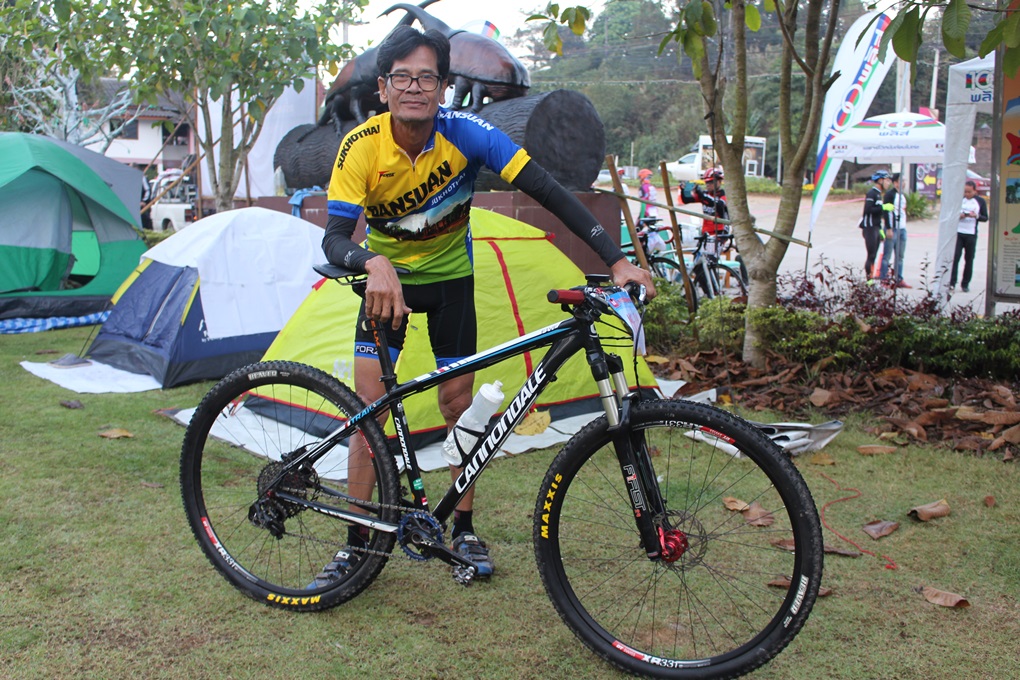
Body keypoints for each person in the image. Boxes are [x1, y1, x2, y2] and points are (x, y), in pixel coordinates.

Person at [318, 26, 654, 586]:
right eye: (402, 77)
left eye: (427, 77)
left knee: (460, 407)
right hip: (387, 289)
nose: (414, 87)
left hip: (451, 285)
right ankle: (355, 541)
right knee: (368, 414)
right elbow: (333, 238)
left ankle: (464, 528)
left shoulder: (469, 134)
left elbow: (547, 189)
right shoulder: (361, 145)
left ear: (444, 87)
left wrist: (615, 259)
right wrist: (371, 262)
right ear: (383, 87)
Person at [949, 180, 988, 293]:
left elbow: (985, 218)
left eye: (969, 192)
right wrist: (959, 216)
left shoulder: (980, 201)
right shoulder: (959, 200)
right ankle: (952, 282)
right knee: (955, 258)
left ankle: (965, 283)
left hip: (971, 233)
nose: (967, 194)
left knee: (969, 259)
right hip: (959, 233)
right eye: (965, 192)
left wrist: (976, 216)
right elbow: (950, 214)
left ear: (975, 191)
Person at [861, 170, 892, 281]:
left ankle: (871, 278)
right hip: (869, 228)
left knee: (874, 255)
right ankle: (869, 280)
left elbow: (877, 215)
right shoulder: (872, 193)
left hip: (876, 227)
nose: (888, 183)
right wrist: (883, 207)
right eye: (887, 181)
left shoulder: (879, 194)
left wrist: (880, 229)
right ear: (880, 180)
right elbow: (868, 210)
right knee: (871, 255)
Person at [879, 173, 909, 287]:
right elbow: (886, 212)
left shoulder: (902, 195)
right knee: (887, 255)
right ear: (895, 182)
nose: (903, 183)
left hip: (902, 228)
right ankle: (884, 278)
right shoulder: (890, 195)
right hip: (893, 228)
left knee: (900, 256)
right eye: (901, 181)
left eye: (904, 181)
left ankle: (898, 278)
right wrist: (889, 228)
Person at [681, 167, 728, 235]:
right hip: (706, 230)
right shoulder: (705, 194)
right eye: (706, 182)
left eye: (711, 182)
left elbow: (719, 205)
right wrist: (683, 190)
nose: (708, 185)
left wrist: (702, 195)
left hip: (720, 230)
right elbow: (686, 200)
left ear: (719, 181)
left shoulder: (723, 194)